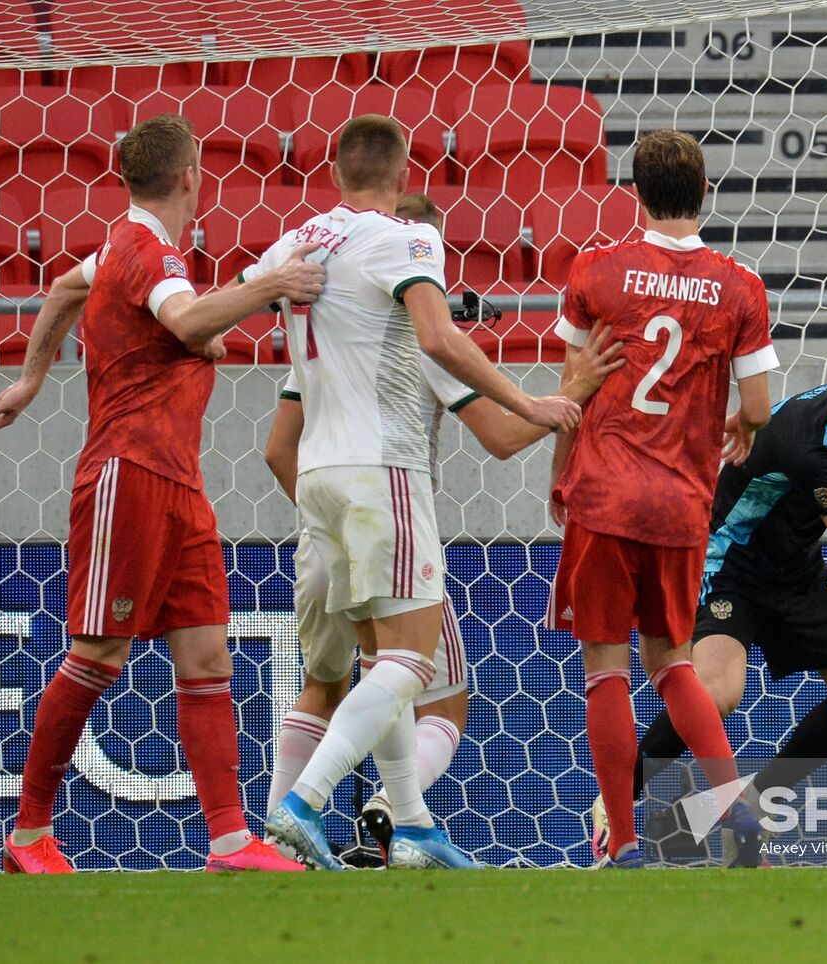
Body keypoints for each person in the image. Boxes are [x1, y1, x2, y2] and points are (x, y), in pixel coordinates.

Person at [0, 113, 327, 873]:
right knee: (99, 652)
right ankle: (28, 834)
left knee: (207, 654)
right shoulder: (145, 247)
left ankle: (229, 841)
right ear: (191, 176)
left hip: (178, 480)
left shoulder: (122, 249)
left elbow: (66, 287)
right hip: (127, 472)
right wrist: (268, 285)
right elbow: (186, 318)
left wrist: (31, 380)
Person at [255, 116, 581, 870]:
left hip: (317, 480)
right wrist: (537, 401)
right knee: (415, 662)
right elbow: (442, 344)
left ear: (333, 173)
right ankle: (302, 804)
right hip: (383, 472)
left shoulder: (299, 247)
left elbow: (245, 324)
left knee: (368, 668)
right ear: (404, 177)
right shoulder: (406, 245)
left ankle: (412, 824)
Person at [624, 311, 827, 864]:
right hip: (730, 562)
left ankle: (751, 807)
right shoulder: (814, 441)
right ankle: (617, 802)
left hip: (797, 569)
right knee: (717, 694)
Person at [546, 129, 779, 867]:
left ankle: (621, 839)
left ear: (635, 194)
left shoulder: (595, 271)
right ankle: (734, 806)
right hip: (682, 504)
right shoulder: (740, 285)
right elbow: (760, 406)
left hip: (607, 495)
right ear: (705, 192)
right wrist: (741, 424)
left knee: (606, 671)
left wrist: (561, 472)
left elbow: (572, 389)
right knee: (674, 665)